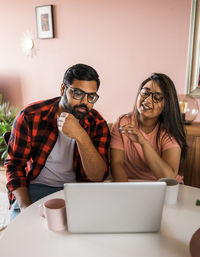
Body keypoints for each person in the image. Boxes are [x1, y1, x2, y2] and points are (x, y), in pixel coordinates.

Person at [5, 63, 110, 220]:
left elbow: (97, 176)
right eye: (78, 94)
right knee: (20, 235)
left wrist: (81, 136)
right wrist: (26, 208)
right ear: (63, 89)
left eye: (91, 96)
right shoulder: (30, 116)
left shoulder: (97, 123)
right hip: (36, 188)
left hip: (78, 190)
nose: (85, 102)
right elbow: (14, 165)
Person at [110, 73, 187, 182]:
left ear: (167, 104)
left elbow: (168, 177)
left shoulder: (169, 131)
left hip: (165, 186)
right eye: (145, 93)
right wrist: (125, 191)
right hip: (131, 184)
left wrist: (143, 142)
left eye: (157, 97)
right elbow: (116, 164)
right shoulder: (122, 122)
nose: (147, 100)